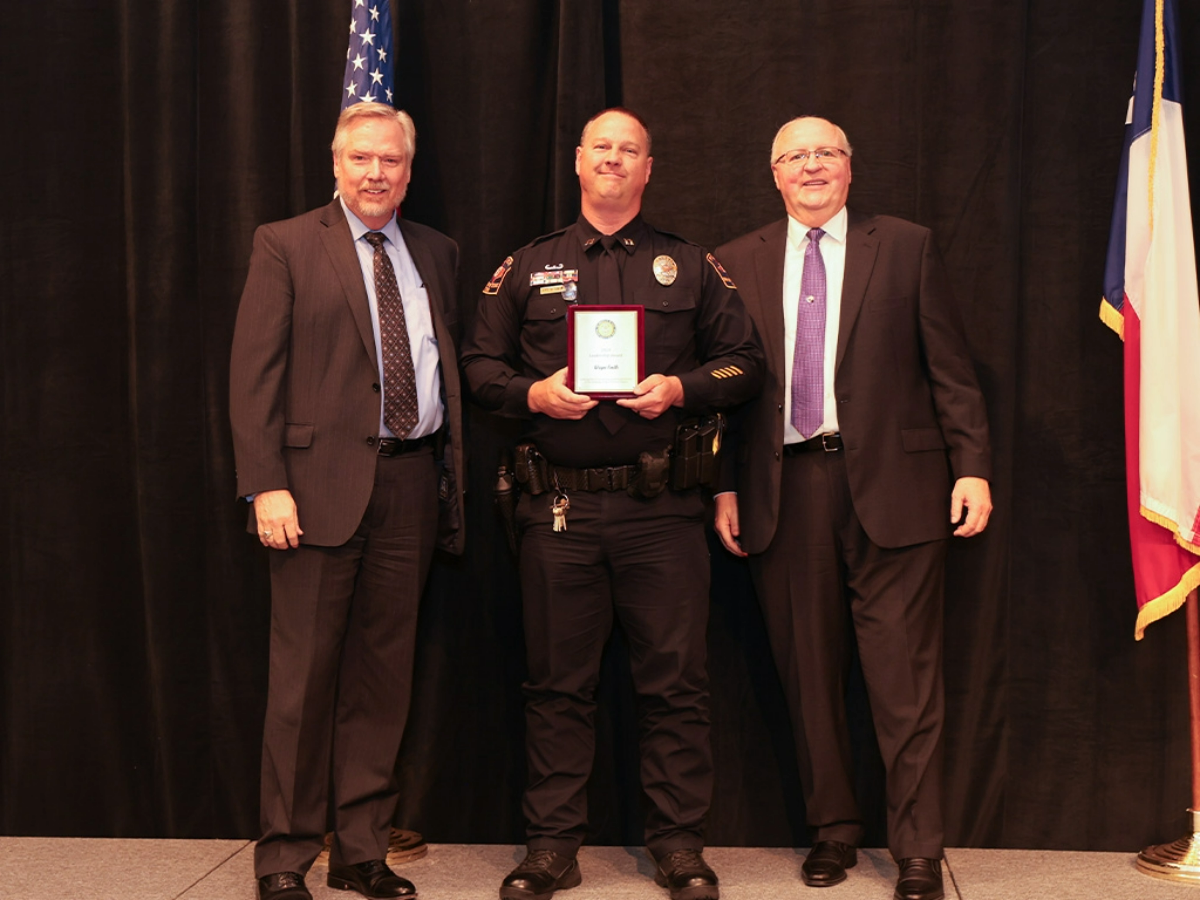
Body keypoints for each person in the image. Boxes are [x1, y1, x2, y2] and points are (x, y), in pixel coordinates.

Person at [462, 108, 763, 900]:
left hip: (662, 513)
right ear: (578, 161)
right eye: (603, 148)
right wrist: (532, 392)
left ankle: (678, 847)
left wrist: (681, 389)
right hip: (556, 513)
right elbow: (477, 366)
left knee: (675, 684)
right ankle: (552, 847)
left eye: (630, 151)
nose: (615, 161)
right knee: (557, 686)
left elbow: (744, 365)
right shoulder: (528, 266)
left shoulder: (689, 265)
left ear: (648, 168)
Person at [713, 116, 993, 900]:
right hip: (784, 490)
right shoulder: (735, 261)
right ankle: (832, 833)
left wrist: (972, 467)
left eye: (826, 153)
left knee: (905, 680)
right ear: (773, 173)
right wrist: (727, 485)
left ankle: (916, 850)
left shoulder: (905, 246)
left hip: (899, 492)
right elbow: (730, 394)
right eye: (795, 156)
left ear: (849, 168)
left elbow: (952, 371)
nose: (811, 166)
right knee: (807, 674)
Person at [229, 101, 465, 900]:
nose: (375, 174)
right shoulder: (286, 243)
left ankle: (362, 849)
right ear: (336, 162)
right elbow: (253, 373)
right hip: (313, 493)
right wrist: (266, 483)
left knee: (382, 680)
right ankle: (286, 857)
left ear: (408, 168)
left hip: (410, 486)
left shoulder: (437, 251)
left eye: (390, 161)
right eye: (361, 158)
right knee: (302, 685)